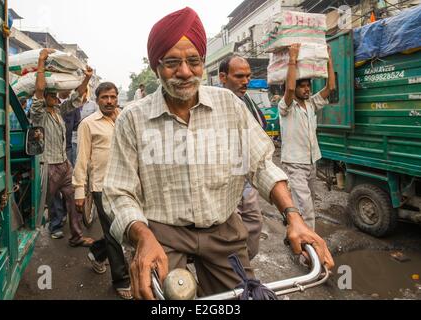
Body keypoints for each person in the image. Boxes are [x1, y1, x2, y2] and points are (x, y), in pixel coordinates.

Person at [103, 7, 334, 300]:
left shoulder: (229, 104)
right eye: (172, 62)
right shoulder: (132, 119)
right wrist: (143, 237)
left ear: (203, 63)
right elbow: (118, 192)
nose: (185, 71)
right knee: (159, 297)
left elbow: (261, 164)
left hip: (222, 228)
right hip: (162, 232)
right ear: (156, 68)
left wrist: (294, 218)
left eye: (193, 61)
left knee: (242, 296)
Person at [73, 82, 132, 300]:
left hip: (127, 184)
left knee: (123, 230)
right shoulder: (88, 124)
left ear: (117, 98)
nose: (109, 101)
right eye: (105, 97)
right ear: (97, 100)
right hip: (102, 186)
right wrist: (80, 190)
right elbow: (81, 159)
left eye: (113, 97)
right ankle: (121, 280)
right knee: (114, 233)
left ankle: (97, 253)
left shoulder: (125, 119)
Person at [30, 48, 94, 246]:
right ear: (46, 97)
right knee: (50, 202)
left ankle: (76, 236)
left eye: (56, 97)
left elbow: (76, 98)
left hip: (64, 164)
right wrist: (41, 61)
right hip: (48, 166)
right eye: (53, 96)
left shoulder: (58, 111)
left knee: (74, 198)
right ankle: (54, 227)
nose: (57, 99)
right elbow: (39, 89)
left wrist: (86, 79)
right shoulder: (38, 113)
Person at [279, 43, 336, 230]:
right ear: (294, 88)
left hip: (311, 162)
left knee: (304, 203)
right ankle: (309, 254)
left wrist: (329, 59)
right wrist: (293, 59)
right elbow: (288, 90)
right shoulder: (285, 107)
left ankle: (293, 231)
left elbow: (331, 87)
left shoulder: (311, 104)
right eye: (301, 86)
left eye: (307, 86)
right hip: (295, 164)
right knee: (306, 209)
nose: (306, 89)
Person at [218, 54, 267, 260]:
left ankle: (241, 274)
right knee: (232, 237)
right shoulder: (214, 105)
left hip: (246, 180)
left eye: (248, 76)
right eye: (239, 76)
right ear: (222, 77)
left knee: (253, 230)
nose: (245, 81)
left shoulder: (246, 101)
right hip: (223, 183)